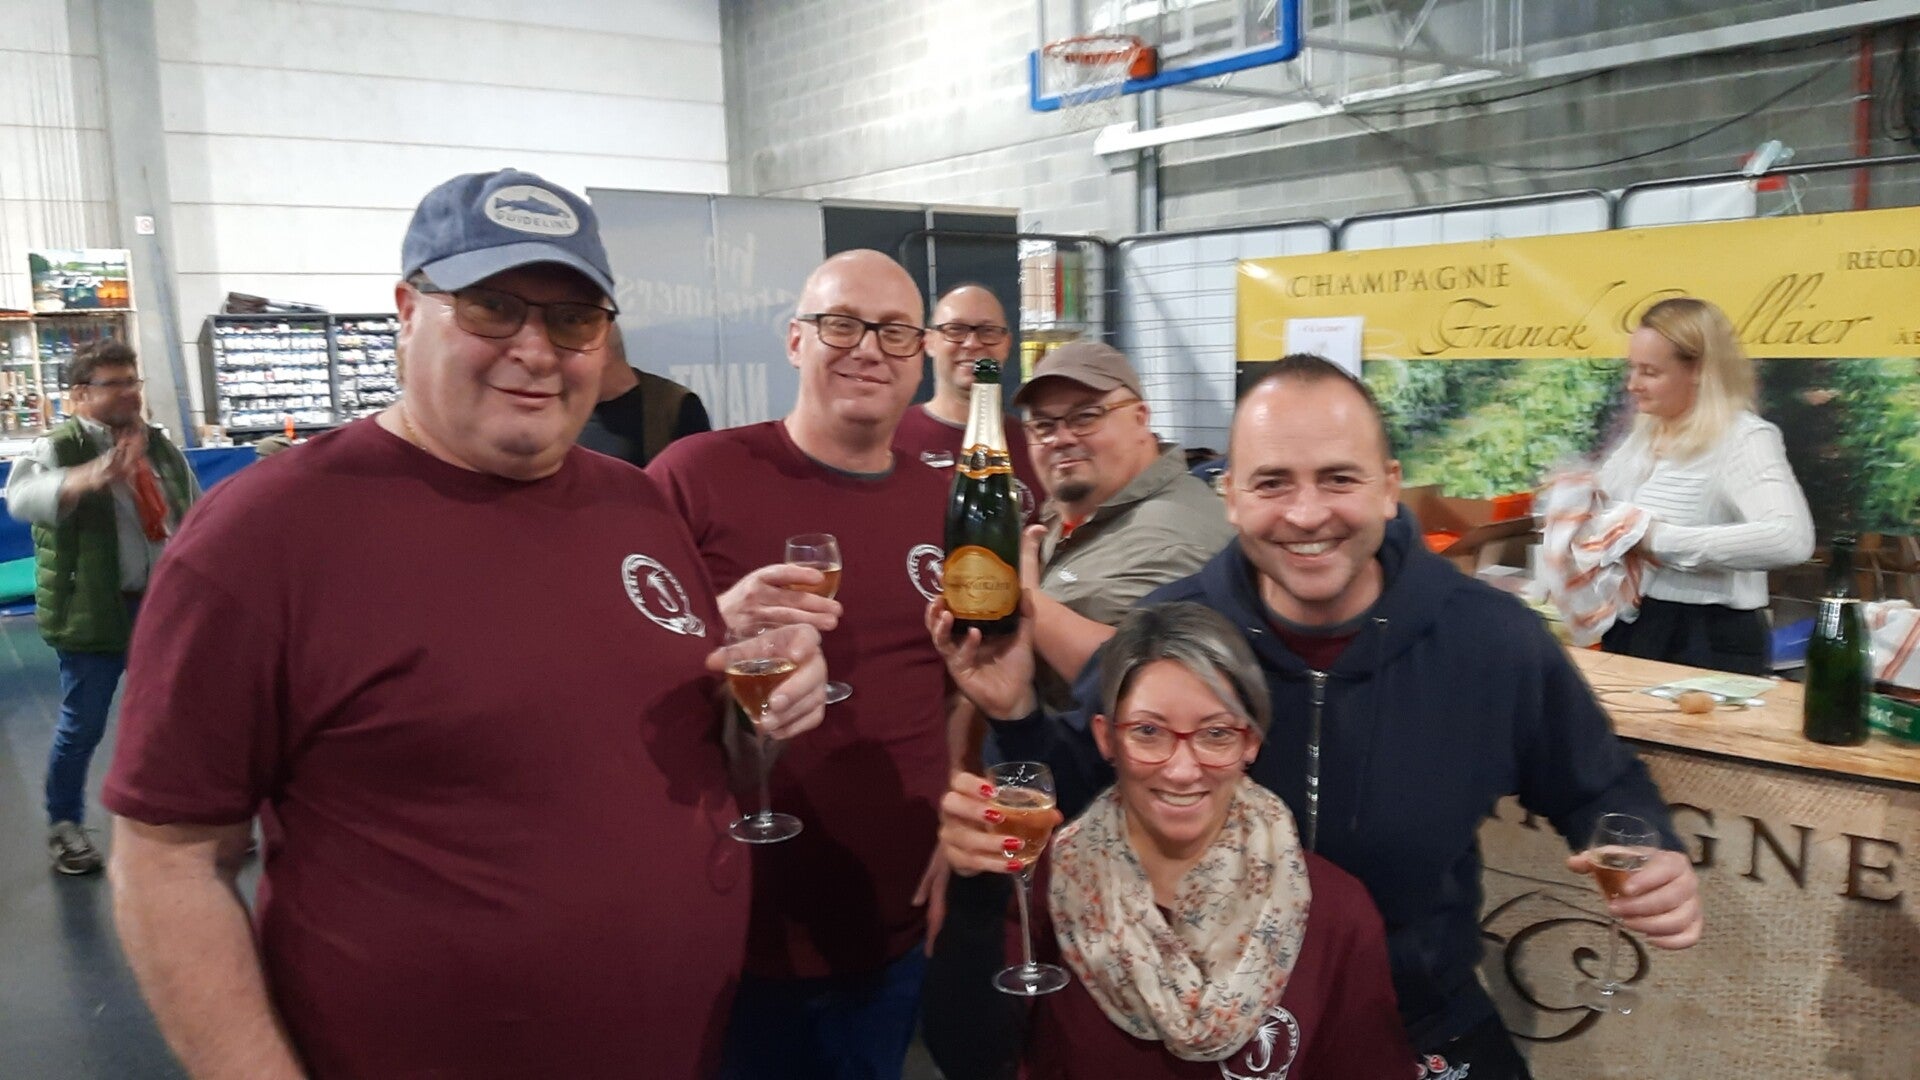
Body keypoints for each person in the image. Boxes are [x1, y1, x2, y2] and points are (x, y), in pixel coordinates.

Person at [100, 168, 826, 1080]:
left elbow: (675, 743)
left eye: (573, 320)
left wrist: (761, 713)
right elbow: (167, 863)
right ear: (408, 311)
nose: (536, 350)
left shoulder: (639, 505)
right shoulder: (265, 535)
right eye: (493, 308)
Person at [931, 354, 1703, 1080]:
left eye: (1338, 478)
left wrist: (1649, 854)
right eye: (1272, 483)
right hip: (1208, 1024)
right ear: (1231, 496)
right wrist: (1015, 711)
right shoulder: (1172, 631)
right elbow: (1078, 785)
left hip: (1419, 1018)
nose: (1307, 515)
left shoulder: (1490, 640)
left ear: (1389, 486)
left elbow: (1597, 783)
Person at [647, 249, 955, 1080]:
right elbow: (613, 665)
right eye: (841, 324)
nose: (870, 350)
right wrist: (718, 623)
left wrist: (954, 822)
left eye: (895, 332)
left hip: (887, 928)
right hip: (726, 924)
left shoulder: (944, 500)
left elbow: (963, 684)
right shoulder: (695, 475)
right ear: (794, 340)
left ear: (922, 356)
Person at [922, 601, 1411, 1079]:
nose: (1181, 769)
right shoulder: (1047, 883)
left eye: (1215, 734)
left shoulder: (1335, 914)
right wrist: (974, 899)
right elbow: (970, 1058)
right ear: (1106, 738)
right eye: (1148, 731)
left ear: (1250, 742)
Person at [5, 341, 199, 875]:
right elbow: (20, 499)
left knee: (175, 716)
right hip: (92, 609)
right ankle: (64, 824)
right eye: (115, 384)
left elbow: (192, 513)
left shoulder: (160, 448)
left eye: (133, 381)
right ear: (80, 395)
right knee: (83, 724)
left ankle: (181, 811)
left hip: (161, 610)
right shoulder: (58, 447)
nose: (130, 393)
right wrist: (88, 477)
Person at [1598, 296, 1813, 675]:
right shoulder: (1643, 436)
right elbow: (1606, 508)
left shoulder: (1743, 439)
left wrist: (1659, 540)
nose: (1632, 385)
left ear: (1698, 369)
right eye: (1632, 368)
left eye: (1650, 372)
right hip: (1635, 625)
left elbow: (1790, 538)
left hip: (1706, 640)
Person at [1011, 341, 1233, 701]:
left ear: (1140, 418)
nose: (1060, 438)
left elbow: (1148, 685)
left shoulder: (1177, 535)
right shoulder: (1074, 507)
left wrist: (1026, 601)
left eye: (1086, 417)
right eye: (1043, 425)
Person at [575, 323, 711, 466]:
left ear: (600, 352)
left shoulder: (676, 406)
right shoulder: (564, 409)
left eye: (570, 353)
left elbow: (700, 475)